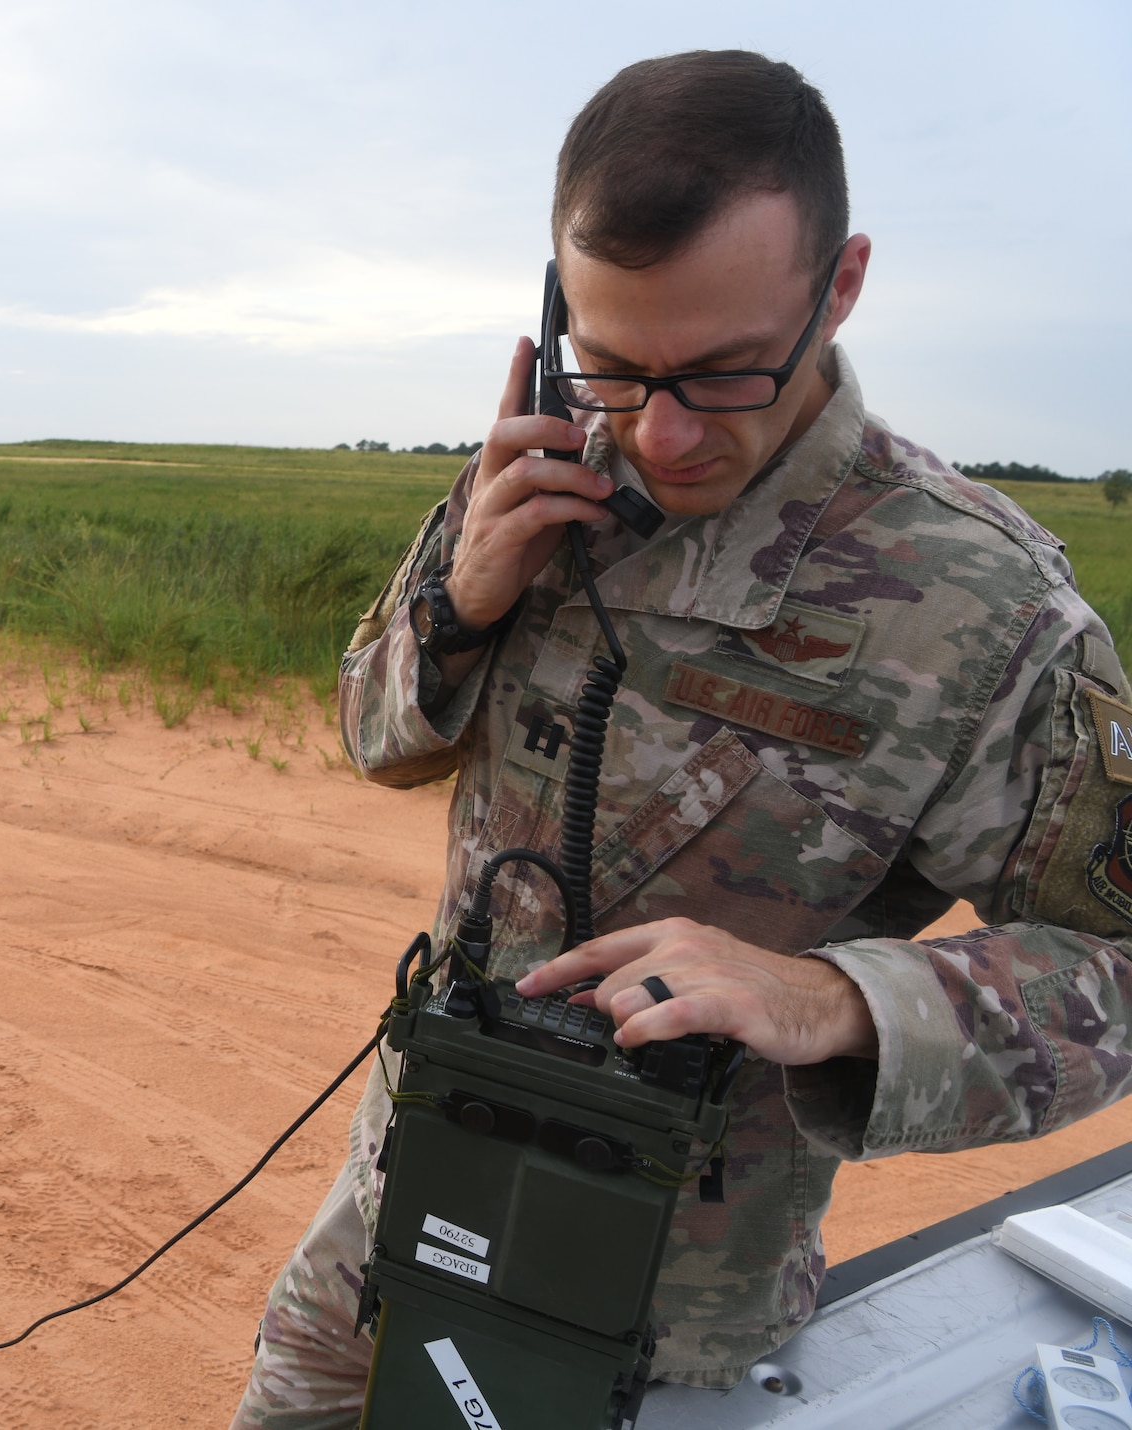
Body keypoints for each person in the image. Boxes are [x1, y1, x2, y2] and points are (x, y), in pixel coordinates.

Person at [231, 48, 1132, 1427]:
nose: (657, 432)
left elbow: (1117, 969)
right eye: (612, 364)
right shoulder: (536, 474)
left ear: (839, 287)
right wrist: (460, 601)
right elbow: (373, 733)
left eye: (721, 373)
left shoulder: (986, 612)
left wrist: (833, 999)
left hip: (662, 1305)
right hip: (405, 1186)